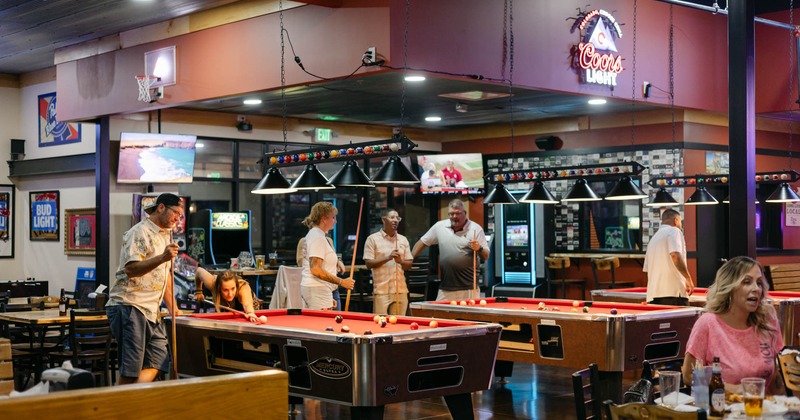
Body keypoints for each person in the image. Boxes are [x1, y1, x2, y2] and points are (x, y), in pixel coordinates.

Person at [106, 193, 183, 384]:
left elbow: (163, 278)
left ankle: (129, 400)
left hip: (151, 311)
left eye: (180, 216)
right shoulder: (139, 232)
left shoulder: (166, 235)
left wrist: (173, 309)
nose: (177, 219)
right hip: (130, 305)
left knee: (159, 359)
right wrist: (162, 258)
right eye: (176, 213)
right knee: (131, 370)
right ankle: (118, 409)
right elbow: (131, 269)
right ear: (161, 207)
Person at [681, 256, 784, 393]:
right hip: (721, 409)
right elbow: (688, 376)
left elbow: (776, 375)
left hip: (760, 409)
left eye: (759, 283)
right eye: (746, 282)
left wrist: (786, 409)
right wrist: (732, 389)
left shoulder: (767, 320)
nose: (756, 289)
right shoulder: (708, 324)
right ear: (729, 287)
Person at [412, 199, 489, 301]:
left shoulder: (475, 229)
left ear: (465, 213)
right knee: (439, 316)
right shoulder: (439, 227)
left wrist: (479, 248)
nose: (454, 217)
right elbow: (421, 242)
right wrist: (410, 259)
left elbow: (486, 255)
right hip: (446, 287)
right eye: (451, 214)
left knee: (469, 317)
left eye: (457, 214)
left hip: (469, 288)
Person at [300, 201, 355, 309]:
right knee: (322, 325)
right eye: (333, 217)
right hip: (317, 288)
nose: (335, 221)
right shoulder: (317, 237)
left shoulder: (317, 235)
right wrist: (341, 282)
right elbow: (315, 269)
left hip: (319, 289)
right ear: (324, 219)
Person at [364, 209, 414, 315]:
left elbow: (409, 265)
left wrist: (400, 261)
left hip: (400, 290)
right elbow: (369, 264)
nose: (395, 220)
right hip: (381, 291)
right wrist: (388, 257)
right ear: (383, 220)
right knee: (380, 324)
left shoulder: (403, 240)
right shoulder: (372, 239)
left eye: (397, 218)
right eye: (392, 217)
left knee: (399, 326)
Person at [643, 209, 694, 306]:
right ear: (676, 220)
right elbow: (675, 255)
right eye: (680, 221)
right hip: (673, 293)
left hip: (653, 295)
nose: (681, 225)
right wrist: (688, 278)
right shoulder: (674, 231)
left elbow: (648, 269)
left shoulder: (654, 238)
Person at [193, 267, 261, 322]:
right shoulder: (212, 283)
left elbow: (247, 304)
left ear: (236, 286)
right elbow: (199, 271)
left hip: (251, 309)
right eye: (225, 290)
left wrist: (250, 313)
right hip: (224, 305)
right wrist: (199, 291)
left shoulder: (242, 287)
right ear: (219, 288)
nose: (230, 294)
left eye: (233, 288)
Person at [296, 236, 345, 309]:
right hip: (318, 288)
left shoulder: (329, 240)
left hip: (333, 288)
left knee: (337, 318)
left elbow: (333, 257)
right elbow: (300, 262)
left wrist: (339, 261)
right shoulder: (304, 241)